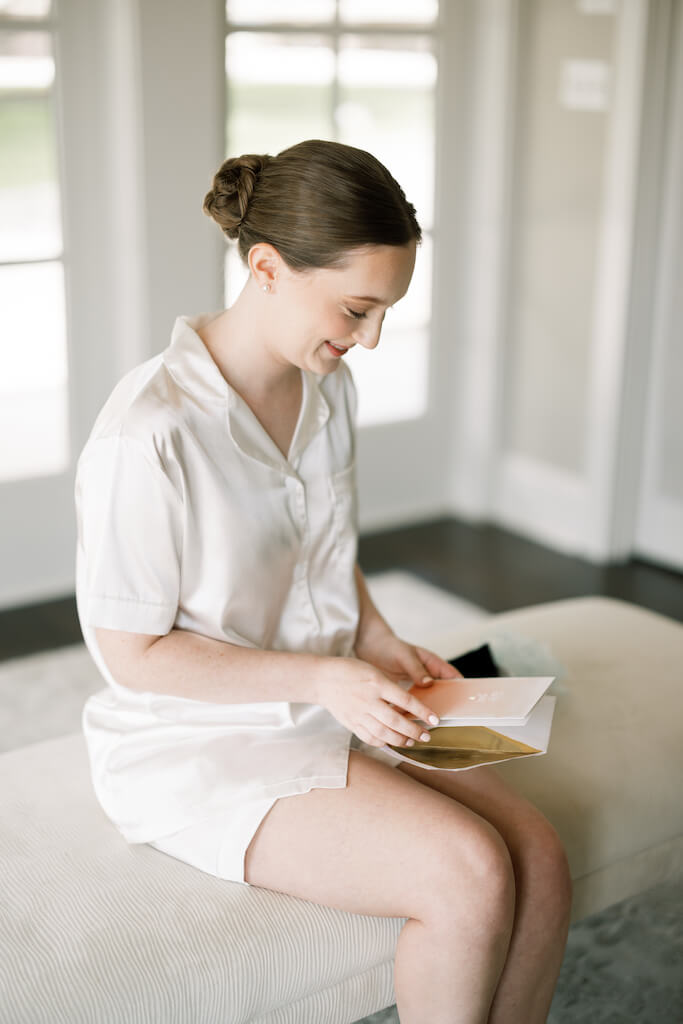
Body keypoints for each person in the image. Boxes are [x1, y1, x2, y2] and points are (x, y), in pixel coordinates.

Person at [74, 139, 571, 1024]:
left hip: (337, 694)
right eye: (356, 308)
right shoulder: (147, 435)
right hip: (199, 744)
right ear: (266, 267)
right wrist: (325, 676)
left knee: (536, 849)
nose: (368, 339)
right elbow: (134, 654)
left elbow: (322, 551)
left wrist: (374, 640)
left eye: (384, 314)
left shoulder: (324, 387)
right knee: (469, 871)